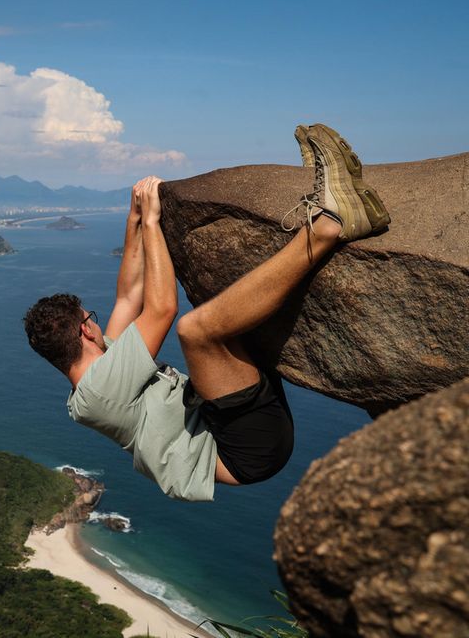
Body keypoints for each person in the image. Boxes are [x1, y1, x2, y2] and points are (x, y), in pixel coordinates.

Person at [23, 124, 390, 501]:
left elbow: (128, 297)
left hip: (230, 420)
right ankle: (330, 225)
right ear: (85, 331)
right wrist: (152, 222)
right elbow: (162, 308)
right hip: (244, 449)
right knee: (194, 330)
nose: (99, 322)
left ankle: (333, 191)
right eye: (91, 317)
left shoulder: (95, 378)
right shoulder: (102, 389)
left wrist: (133, 219)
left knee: (232, 302)